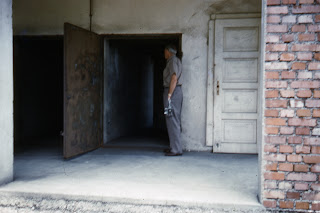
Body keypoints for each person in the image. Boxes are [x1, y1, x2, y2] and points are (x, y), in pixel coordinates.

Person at [163, 44, 183, 156]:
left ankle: (176, 149)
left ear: (168, 51)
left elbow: (174, 78)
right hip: (174, 91)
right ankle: (174, 147)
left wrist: (169, 94)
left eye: (164, 51)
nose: (164, 53)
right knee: (172, 119)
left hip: (173, 91)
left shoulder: (172, 61)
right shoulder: (173, 61)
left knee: (172, 119)